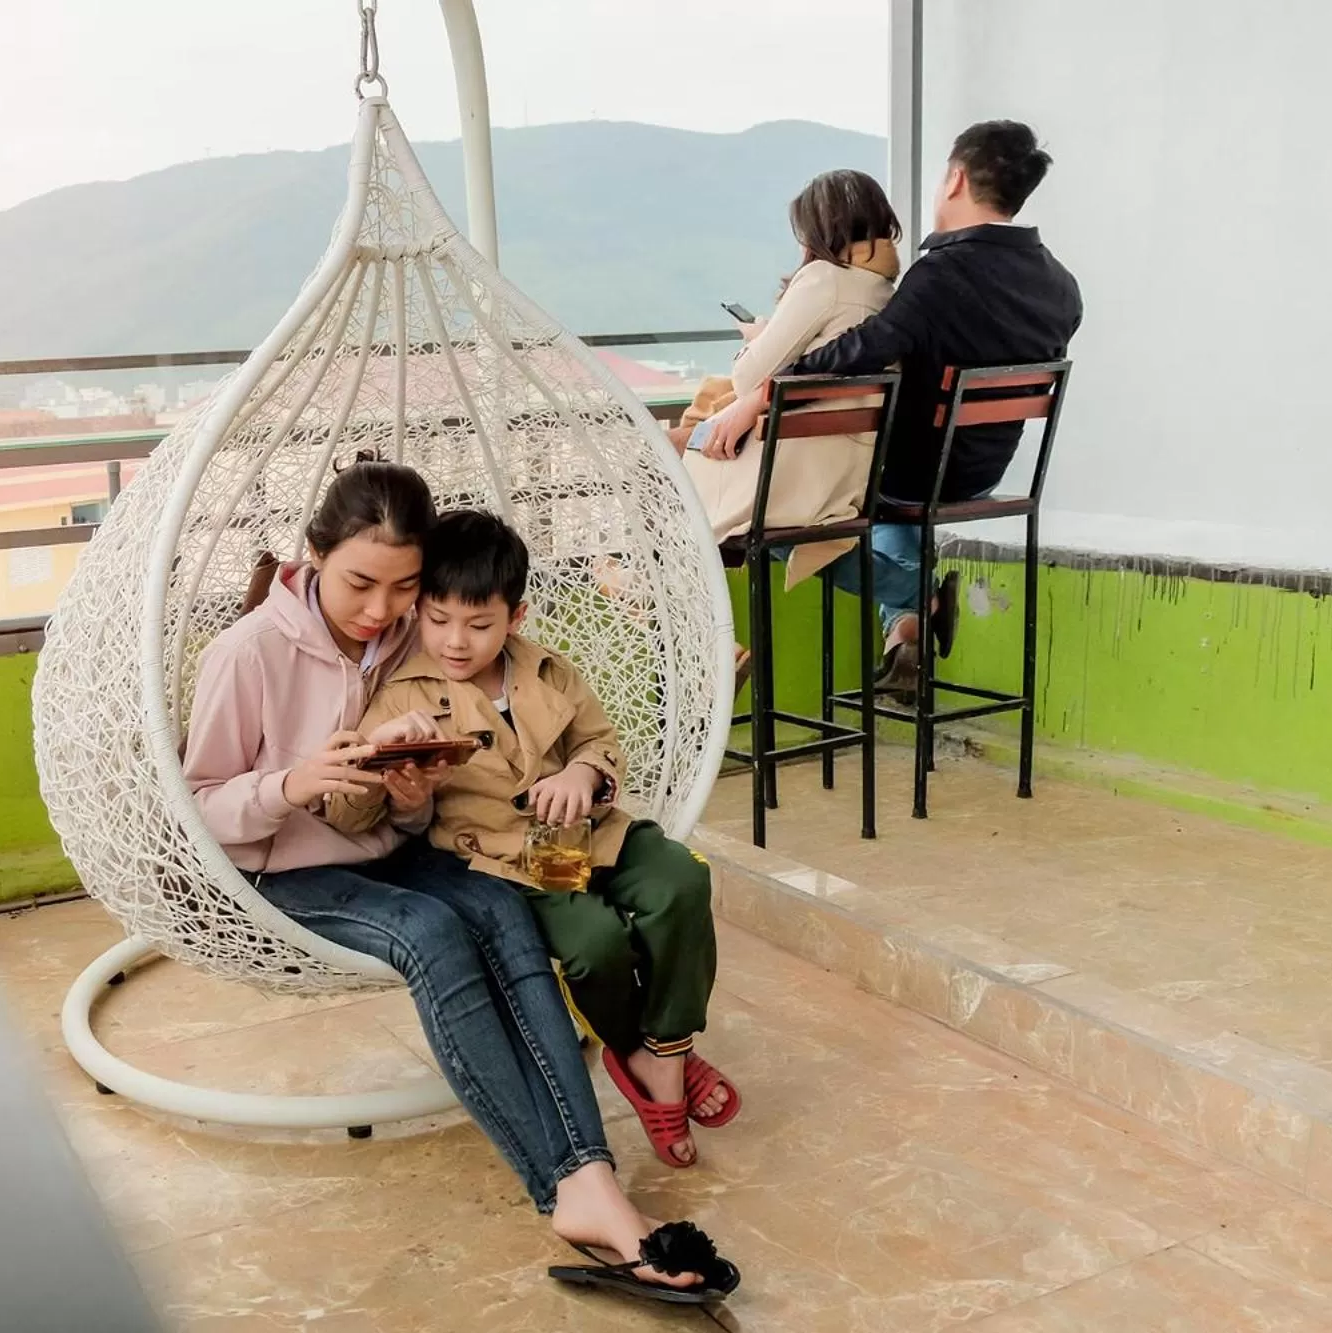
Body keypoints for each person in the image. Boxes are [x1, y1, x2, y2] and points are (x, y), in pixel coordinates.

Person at [181, 462, 738, 1306]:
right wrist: (291, 785)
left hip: (392, 849)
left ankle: (591, 1174)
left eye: (404, 588)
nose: (381, 609)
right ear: (315, 554)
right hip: (290, 870)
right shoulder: (247, 653)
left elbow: (418, 800)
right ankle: (568, 1187)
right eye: (360, 583)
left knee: (509, 918)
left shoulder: (412, 634)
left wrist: (408, 792)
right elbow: (198, 808)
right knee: (438, 937)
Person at [328, 509, 742, 1174]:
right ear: (420, 612)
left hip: (593, 832)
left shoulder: (549, 670)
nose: (456, 641)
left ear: (515, 617)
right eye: (438, 619)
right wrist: (389, 774)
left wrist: (586, 773)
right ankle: (641, 1053)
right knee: (595, 943)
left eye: (479, 624)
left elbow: (598, 741)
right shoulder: (403, 694)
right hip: (514, 861)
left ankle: (665, 1053)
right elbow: (351, 808)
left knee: (683, 879)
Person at [702, 121, 1083, 688]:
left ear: (955, 178)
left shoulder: (940, 274)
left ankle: (915, 598)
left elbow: (864, 347)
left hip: (913, 472)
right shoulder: (1061, 283)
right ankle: (903, 629)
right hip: (983, 471)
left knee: (782, 514)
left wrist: (758, 396)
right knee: (883, 491)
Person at [670, 169, 901, 602]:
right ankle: (913, 590)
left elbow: (746, 380)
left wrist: (757, 339)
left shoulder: (824, 280)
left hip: (784, 468)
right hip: (840, 471)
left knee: (656, 453)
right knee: (680, 444)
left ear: (820, 230)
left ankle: (662, 607)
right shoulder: (885, 291)